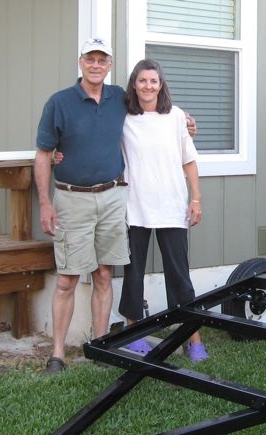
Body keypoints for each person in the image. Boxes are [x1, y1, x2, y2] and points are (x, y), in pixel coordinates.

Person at [35, 38, 198, 374]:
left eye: (102, 60)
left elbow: (169, 130)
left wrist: (187, 123)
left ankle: (176, 339)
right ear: (80, 61)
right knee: (95, 277)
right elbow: (51, 150)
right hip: (99, 202)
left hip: (139, 203)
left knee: (136, 275)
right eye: (90, 59)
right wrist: (49, 182)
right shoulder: (88, 105)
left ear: (109, 65)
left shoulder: (143, 108)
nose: (96, 65)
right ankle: (77, 349)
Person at [116, 58, 208, 362]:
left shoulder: (177, 117)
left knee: (179, 274)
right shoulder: (124, 118)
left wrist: (196, 198)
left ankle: (192, 338)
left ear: (161, 84)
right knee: (134, 273)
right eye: (142, 81)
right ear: (134, 84)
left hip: (171, 206)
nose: (148, 86)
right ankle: (133, 334)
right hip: (136, 207)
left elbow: (188, 160)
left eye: (153, 81)